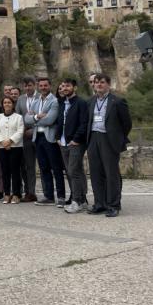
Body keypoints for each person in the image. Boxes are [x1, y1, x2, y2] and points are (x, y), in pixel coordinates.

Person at [87, 74, 132, 218]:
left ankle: (113, 205)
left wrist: (117, 138)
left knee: (111, 173)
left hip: (109, 139)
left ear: (108, 84)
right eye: (96, 82)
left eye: (102, 82)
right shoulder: (91, 101)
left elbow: (127, 124)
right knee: (95, 173)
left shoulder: (117, 101)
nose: (98, 85)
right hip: (93, 138)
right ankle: (99, 203)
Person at [55, 78, 89, 214]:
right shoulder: (63, 103)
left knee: (73, 171)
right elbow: (60, 121)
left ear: (74, 88)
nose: (64, 88)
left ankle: (76, 201)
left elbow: (84, 123)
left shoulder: (81, 103)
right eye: (63, 86)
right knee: (74, 171)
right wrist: (57, 137)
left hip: (75, 143)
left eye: (68, 86)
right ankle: (81, 199)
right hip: (63, 142)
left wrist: (76, 139)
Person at [29, 78, 65, 207]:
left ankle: (61, 196)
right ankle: (49, 196)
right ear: (38, 87)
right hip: (37, 137)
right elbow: (26, 119)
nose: (43, 87)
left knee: (56, 168)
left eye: (45, 85)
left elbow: (50, 120)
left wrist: (34, 117)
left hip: (49, 138)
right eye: (41, 85)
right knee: (44, 168)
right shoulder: (35, 101)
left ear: (50, 86)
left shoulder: (54, 101)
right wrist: (38, 116)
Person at [0, 96, 24, 204]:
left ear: (13, 104)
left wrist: (10, 141)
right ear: (2, 105)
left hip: (15, 147)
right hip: (1, 148)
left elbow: (20, 131)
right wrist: (2, 142)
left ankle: (16, 194)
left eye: (9, 102)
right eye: (5, 102)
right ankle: (7, 194)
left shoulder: (18, 117)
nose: (7, 104)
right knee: (5, 171)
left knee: (15, 171)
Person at [16, 77, 38, 202]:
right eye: (25, 86)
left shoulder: (40, 97)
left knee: (45, 166)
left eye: (30, 85)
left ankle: (48, 193)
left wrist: (33, 130)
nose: (28, 88)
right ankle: (30, 192)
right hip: (25, 137)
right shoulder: (20, 99)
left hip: (39, 135)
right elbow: (18, 117)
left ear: (34, 85)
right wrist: (23, 130)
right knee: (27, 165)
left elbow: (43, 116)